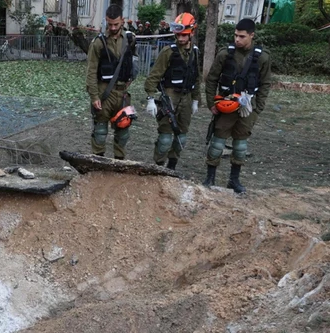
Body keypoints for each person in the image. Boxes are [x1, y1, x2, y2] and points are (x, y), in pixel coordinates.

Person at [203, 18, 271, 193]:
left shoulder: (262, 57)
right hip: (225, 106)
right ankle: (210, 178)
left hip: (247, 108)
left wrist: (257, 109)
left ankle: (234, 180)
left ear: (252, 35)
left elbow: (264, 85)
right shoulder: (225, 54)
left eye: (241, 36)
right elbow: (211, 79)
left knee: (240, 147)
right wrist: (212, 103)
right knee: (217, 144)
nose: (237, 39)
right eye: (235, 35)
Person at [144, 13, 200, 170]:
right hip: (170, 96)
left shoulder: (195, 52)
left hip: (187, 98)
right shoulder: (168, 52)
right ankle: (159, 167)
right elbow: (153, 76)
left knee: (181, 137)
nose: (181, 38)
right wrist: (150, 98)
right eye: (178, 35)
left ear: (191, 33)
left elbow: (197, 77)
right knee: (165, 139)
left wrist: (196, 100)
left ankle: (172, 167)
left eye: (184, 35)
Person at [86, 4, 137, 159]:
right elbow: (91, 71)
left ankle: (119, 163)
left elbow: (132, 61)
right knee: (100, 132)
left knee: (123, 131)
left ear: (122, 20)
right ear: (106, 21)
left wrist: (130, 78)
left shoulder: (130, 39)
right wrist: (94, 96)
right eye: (110, 24)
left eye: (116, 24)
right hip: (103, 92)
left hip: (122, 94)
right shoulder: (98, 43)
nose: (113, 28)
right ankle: (98, 162)